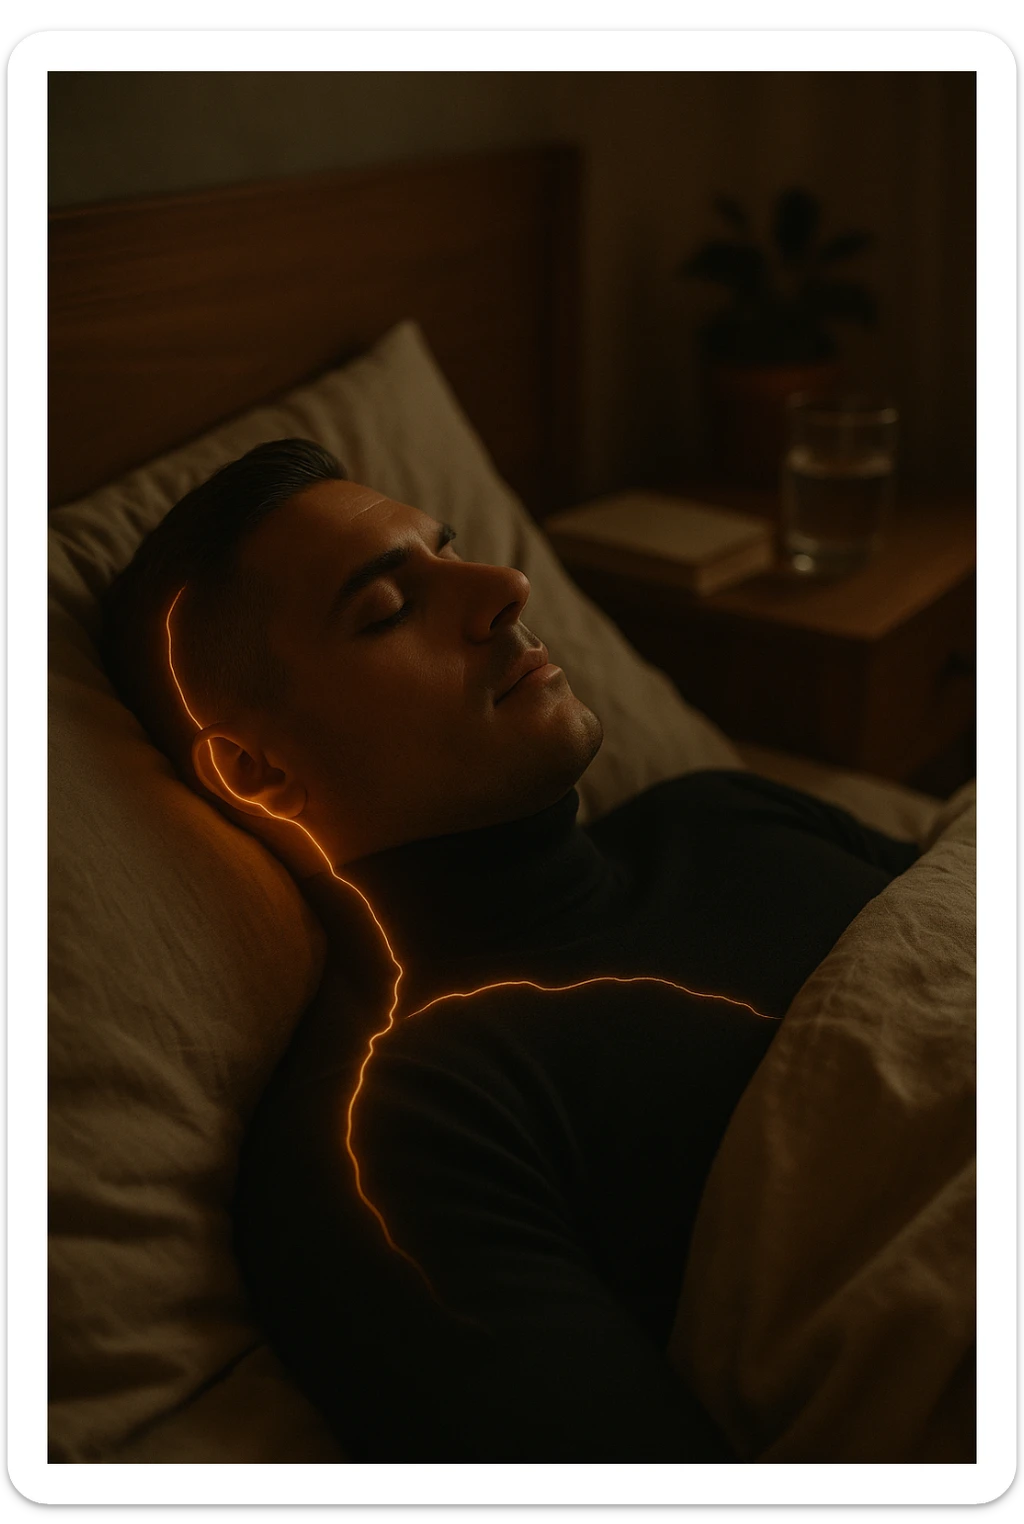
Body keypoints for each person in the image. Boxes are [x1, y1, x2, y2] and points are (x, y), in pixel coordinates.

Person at [101, 438, 921, 1464]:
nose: (506, 585)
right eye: (387, 610)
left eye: (450, 552)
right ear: (258, 774)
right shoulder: (394, 1133)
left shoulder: (725, 811)